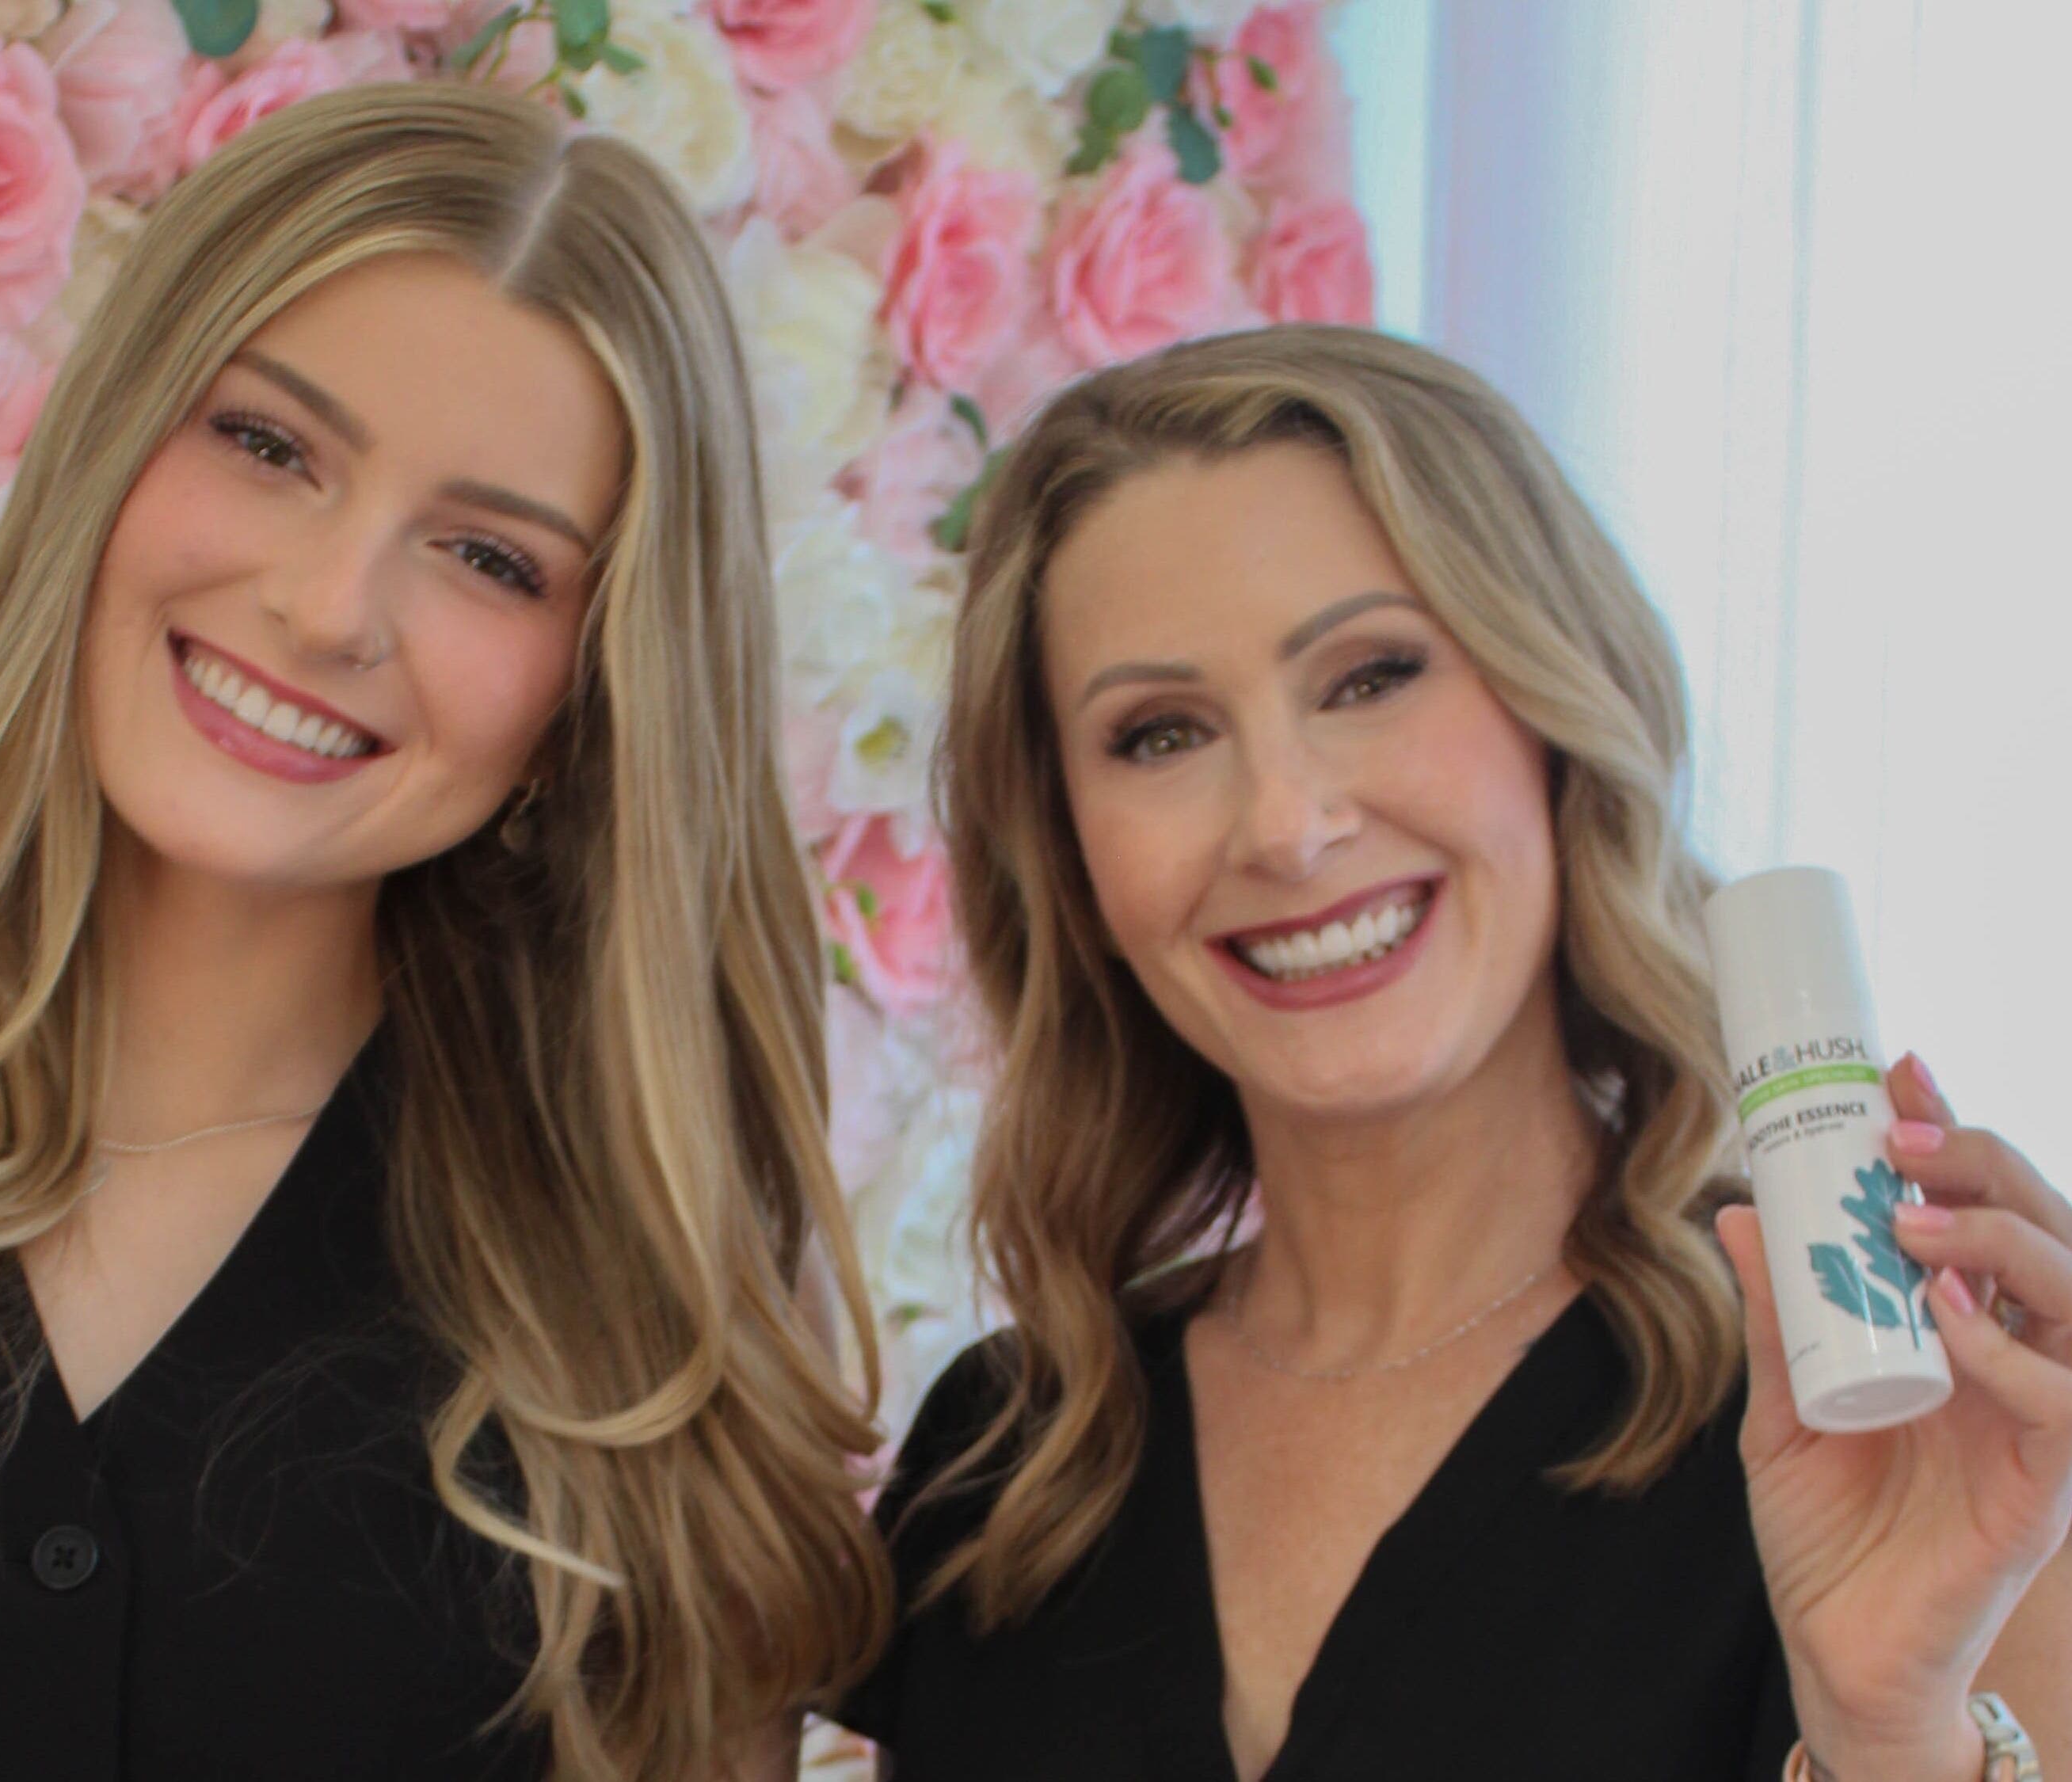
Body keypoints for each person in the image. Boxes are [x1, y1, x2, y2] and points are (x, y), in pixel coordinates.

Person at [0, 84, 887, 1782]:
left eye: (490, 558)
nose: (326, 603)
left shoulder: (644, 1320)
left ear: (591, 690)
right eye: (269, 445)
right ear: (113, 450)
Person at [839, 326, 2071, 1780]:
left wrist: (1885, 1730)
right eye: (1161, 733)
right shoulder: (1005, 1461)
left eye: (1369, 676)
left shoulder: (1877, 1405)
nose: (1287, 824)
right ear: (1070, 852)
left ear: (1553, 711)